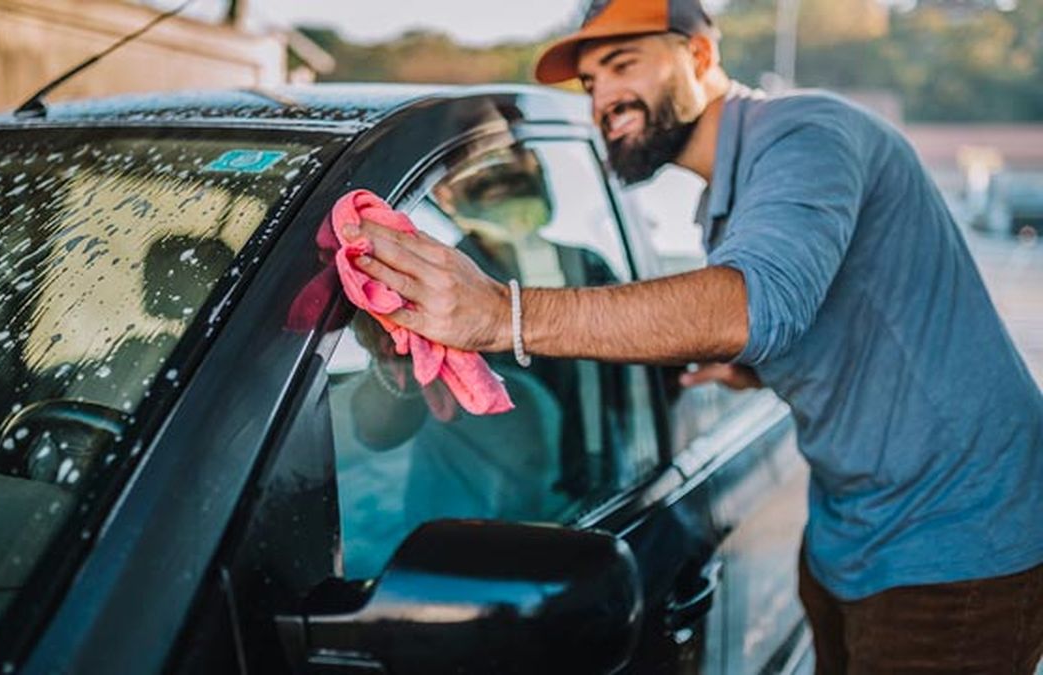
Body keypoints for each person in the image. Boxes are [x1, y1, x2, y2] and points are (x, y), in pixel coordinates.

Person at [341, 0, 1043, 672]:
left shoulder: (806, 133)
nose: (602, 99)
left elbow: (754, 305)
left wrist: (502, 312)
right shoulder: (733, 195)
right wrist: (758, 369)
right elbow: (836, 311)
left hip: (957, 541)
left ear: (701, 53)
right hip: (846, 531)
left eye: (623, 64)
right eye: (591, 82)